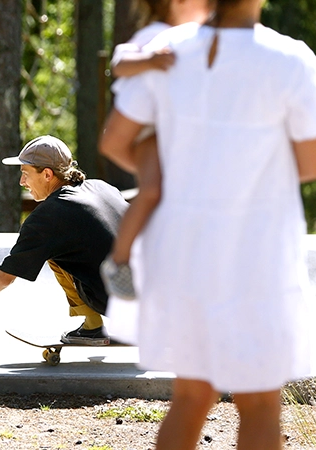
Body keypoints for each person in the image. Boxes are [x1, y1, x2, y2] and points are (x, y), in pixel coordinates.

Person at [99, 0, 316, 447]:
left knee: (190, 396)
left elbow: (115, 141)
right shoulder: (290, 59)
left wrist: (173, 175)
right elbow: (312, 164)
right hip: (258, 249)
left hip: (182, 246)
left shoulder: (165, 50)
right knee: (261, 403)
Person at [0, 135, 128, 345]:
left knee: (55, 253)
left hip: (124, 303)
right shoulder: (102, 187)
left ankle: (92, 325)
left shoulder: (48, 216)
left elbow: (3, 278)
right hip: (157, 294)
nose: (21, 182)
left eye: (25, 174)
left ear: (48, 174)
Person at [101, 0, 211, 299]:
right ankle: (119, 261)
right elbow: (119, 64)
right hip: (147, 131)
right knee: (151, 190)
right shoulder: (156, 33)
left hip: (172, 130)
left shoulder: (199, 37)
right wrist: (149, 60)